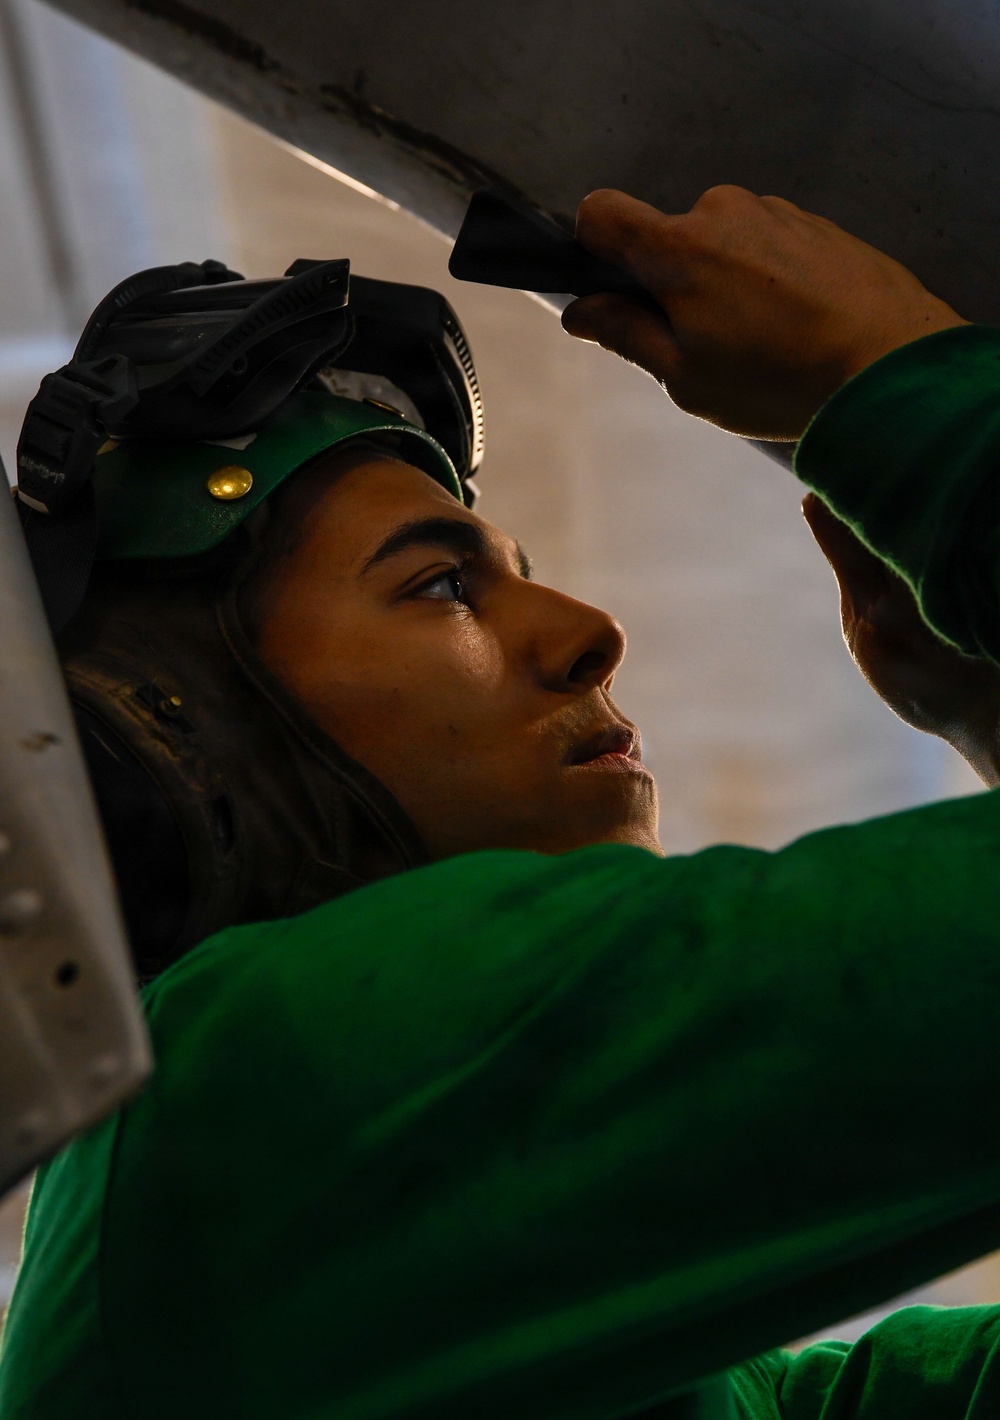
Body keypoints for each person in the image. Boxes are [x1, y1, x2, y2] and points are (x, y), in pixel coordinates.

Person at [2, 184, 1000, 1420]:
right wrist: (908, 403)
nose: (590, 632)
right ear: (190, 729)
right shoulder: (253, 1090)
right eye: (437, 587)